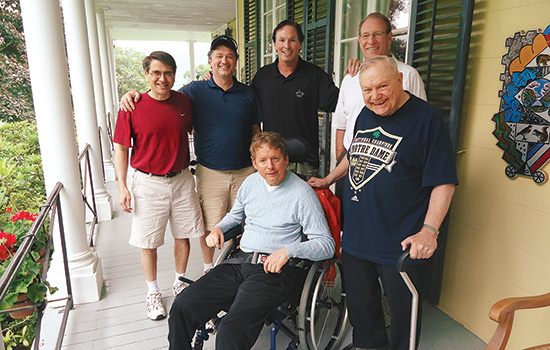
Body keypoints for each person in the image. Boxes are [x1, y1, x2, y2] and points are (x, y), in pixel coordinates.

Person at [310, 56, 457, 350]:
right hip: (357, 239)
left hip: (400, 243)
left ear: (400, 81)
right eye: (367, 90)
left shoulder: (427, 120)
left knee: (405, 319)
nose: (375, 96)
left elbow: (444, 181)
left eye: (382, 87)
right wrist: (328, 179)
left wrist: (429, 230)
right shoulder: (365, 114)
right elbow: (354, 155)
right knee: (363, 314)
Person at [168, 131, 335, 350]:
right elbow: (236, 216)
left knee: (229, 330)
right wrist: (219, 228)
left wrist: (288, 251)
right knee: (182, 306)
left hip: (273, 272)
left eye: (275, 159)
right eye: (263, 161)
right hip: (239, 263)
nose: (270, 167)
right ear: (254, 163)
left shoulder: (302, 194)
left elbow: (326, 245)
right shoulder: (250, 183)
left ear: (286, 158)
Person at [120, 36, 261, 276]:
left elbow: (256, 131)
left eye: (229, 56)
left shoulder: (247, 93)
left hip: (245, 171)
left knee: (241, 223)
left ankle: (238, 269)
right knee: (209, 225)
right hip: (210, 171)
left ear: (236, 62)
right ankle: (209, 271)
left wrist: (258, 164)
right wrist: (132, 95)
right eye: (218, 56)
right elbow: (162, 95)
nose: (224, 61)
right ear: (210, 61)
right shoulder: (194, 91)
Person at [113, 51, 204, 321]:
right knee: (148, 241)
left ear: (174, 75)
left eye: (168, 73)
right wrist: (122, 186)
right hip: (147, 182)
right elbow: (121, 148)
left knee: (183, 235)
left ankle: (179, 281)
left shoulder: (184, 102)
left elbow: (192, 128)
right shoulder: (132, 107)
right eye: (156, 72)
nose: (162, 78)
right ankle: (152, 291)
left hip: (182, 179)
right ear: (146, 75)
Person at [251, 20, 340, 179]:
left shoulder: (314, 75)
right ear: (275, 44)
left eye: (292, 40)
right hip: (272, 164)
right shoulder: (262, 78)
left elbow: (341, 103)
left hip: (305, 164)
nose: (287, 45)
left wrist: (357, 78)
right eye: (282, 40)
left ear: (300, 44)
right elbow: (249, 113)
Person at [333, 12, 427, 158]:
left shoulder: (408, 75)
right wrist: (340, 160)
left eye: (377, 34)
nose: (371, 41)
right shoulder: (350, 78)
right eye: (365, 36)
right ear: (359, 40)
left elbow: (422, 124)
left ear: (389, 38)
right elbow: (341, 125)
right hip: (349, 163)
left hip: (391, 163)